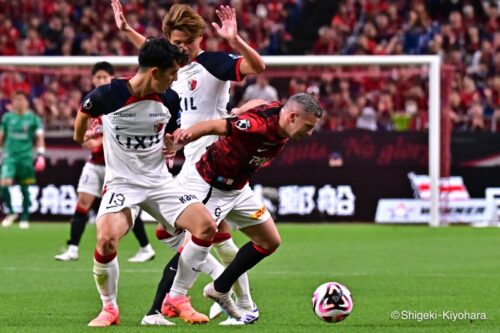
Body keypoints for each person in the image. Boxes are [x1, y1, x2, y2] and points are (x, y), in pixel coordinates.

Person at [111, 1, 266, 325]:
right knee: (215, 237)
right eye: (175, 43)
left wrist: (235, 40)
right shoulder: (172, 69)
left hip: (214, 163)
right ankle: (242, 304)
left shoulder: (213, 64)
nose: (180, 48)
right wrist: (127, 32)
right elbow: (152, 51)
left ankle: (165, 306)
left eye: (185, 42)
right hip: (192, 163)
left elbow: (257, 67)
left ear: (199, 39)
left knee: (174, 232)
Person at [74, 38, 217, 327]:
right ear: (154, 72)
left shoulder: (170, 98)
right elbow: (82, 119)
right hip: (122, 184)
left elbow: (172, 135)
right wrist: (83, 135)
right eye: (171, 73)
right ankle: (109, 309)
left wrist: (173, 144)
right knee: (106, 239)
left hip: (160, 182)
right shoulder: (109, 95)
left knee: (206, 227)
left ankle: (176, 298)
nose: (175, 79)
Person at [172, 93, 323, 320]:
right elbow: (215, 126)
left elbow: (260, 102)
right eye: (308, 126)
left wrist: (241, 108)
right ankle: (171, 299)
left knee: (270, 241)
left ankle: (219, 288)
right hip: (213, 186)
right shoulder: (255, 126)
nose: (310, 133)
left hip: (239, 189)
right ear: (293, 117)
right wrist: (184, 136)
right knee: (191, 240)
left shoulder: (278, 114)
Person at [54, 62, 155, 263]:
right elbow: (81, 136)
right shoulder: (91, 103)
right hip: (95, 165)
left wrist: (105, 142)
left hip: (118, 167)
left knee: (128, 207)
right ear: (92, 80)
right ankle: (72, 248)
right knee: (82, 204)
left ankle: (146, 248)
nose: (101, 81)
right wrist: (94, 144)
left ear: (111, 78)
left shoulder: (121, 101)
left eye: (104, 77)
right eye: (97, 77)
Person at [0, 91, 45, 229]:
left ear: (27, 102)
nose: (19, 102)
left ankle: (25, 217)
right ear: (12, 103)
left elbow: (39, 138)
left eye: (21, 99)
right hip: (10, 157)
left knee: (25, 189)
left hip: (26, 157)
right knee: (3, 184)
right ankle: (12, 212)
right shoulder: (7, 117)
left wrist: (41, 155)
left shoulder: (33, 119)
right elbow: (1, 136)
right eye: (16, 100)